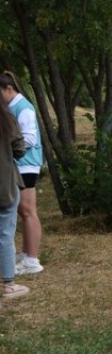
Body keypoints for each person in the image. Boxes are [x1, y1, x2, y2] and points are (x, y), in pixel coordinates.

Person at [0, 71, 44, 276]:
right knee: (23, 210)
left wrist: (6, 146)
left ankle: (32, 260)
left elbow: (30, 138)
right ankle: (26, 254)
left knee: (27, 210)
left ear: (9, 89)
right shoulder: (12, 107)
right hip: (20, 165)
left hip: (26, 164)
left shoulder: (23, 107)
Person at [0, 96, 29, 301]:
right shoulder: (7, 119)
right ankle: (9, 285)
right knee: (5, 234)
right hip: (5, 184)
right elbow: (20, 150)